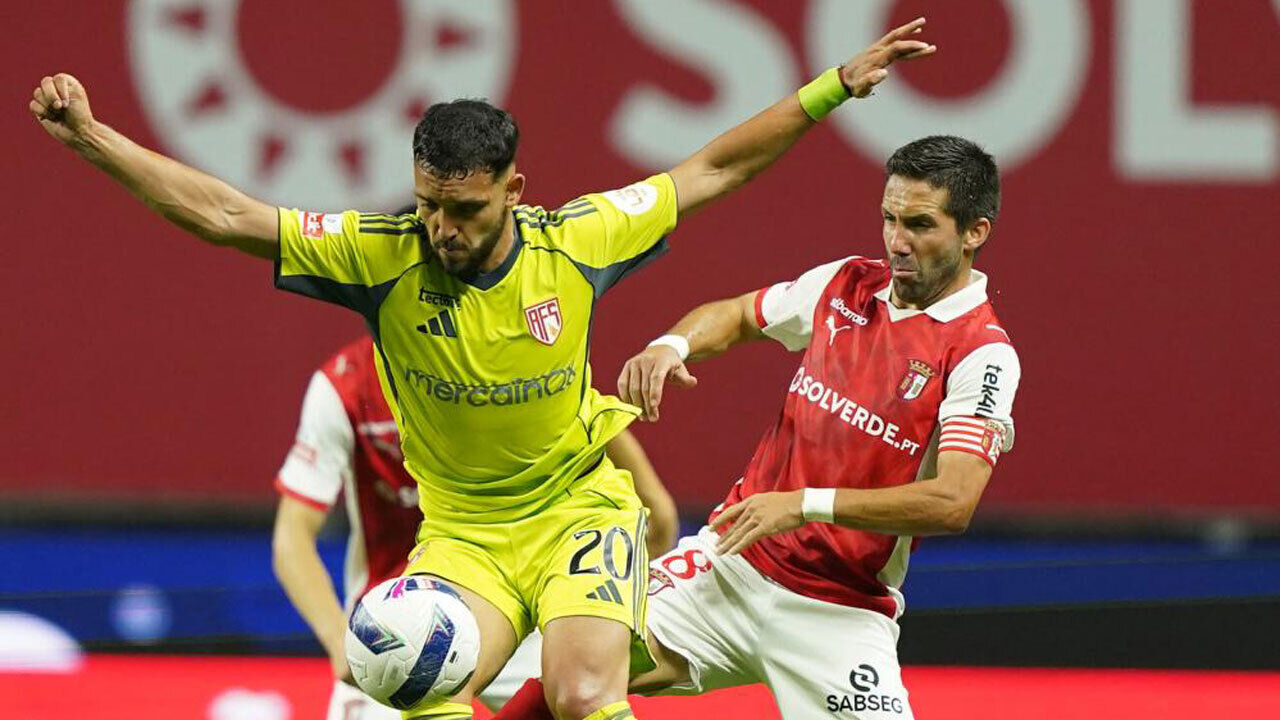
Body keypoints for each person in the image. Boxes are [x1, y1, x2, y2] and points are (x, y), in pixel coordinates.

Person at [29, 18, 934, 720]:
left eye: (463, 210)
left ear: (513, 190)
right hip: (464, 537)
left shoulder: (578, 240)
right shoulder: (378, 255)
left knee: (583, 694)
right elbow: (227, 215)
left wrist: (830, 89)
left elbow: (714, 169)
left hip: (578, 512)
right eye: (429, 204)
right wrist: (92, 138)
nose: (442, 229)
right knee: (414, 686)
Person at [495, 135, 1020, 720]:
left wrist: (803, 505)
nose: (897, 242)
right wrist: (672, 345)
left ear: (974, 232)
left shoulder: (981, 353)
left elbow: (952, 502)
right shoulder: (846, 284)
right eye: (889, 219)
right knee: (568, 672)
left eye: (920, 225)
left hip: (839, 611)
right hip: (728, 562)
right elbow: (739, 314)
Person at [271, 336, 677, 720]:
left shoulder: (512, 358)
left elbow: (658, 515)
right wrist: (339, 641)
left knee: (583, 696)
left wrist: (598, 604)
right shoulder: (345, 386)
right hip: (394, 634)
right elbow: (292, 539)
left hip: (524, 619)